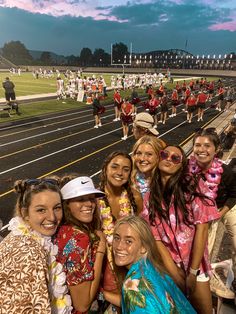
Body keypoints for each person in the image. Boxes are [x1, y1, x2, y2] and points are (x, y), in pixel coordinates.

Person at [142, 145, 220, 313]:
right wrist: (173, 271)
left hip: (195, 262)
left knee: (203, 309)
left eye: (175, 158)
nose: (169, 159)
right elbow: (155, 236)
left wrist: (192, 272)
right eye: (165, 154)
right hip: (168, 263)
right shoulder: (150, 195)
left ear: (181, 165)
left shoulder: (192, 185)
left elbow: (202, 229)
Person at [0, 178, 72, 313]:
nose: (52, 217)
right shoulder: (28, 252)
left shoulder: (24, 239)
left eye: (57, 208)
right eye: (41, 210)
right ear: (24, 213)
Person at [113, 215, 196, 313]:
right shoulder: (152, 267)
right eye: (117, 238)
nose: (119, 246)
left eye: (128, 241)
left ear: (143, 247)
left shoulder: (132, 287)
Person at [189, 128, 236, 298]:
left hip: (223, 207)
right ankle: (206, 275)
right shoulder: (187, 171)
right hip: (202, 213)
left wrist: (220, 213)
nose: (201, 150)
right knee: (203, 248)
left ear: (216, 149)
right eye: (197, 145)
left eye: (207, 146)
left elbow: (234, 194)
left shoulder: (226, 173)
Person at [98, 151, 143, 312]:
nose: (119, 173)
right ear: (105, 169)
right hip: (107, 265)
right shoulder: (95, 200)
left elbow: (141, 230)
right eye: (115, 167)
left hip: (132, 262)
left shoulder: (135, 197)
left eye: (126, 169)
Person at [55, 175, 106, 313]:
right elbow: (82, 305)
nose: (89, 204)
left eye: (91, 199)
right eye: (80, 199)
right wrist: (101, 251)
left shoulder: (62, 229)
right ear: (67, 205)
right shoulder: (79, 239)